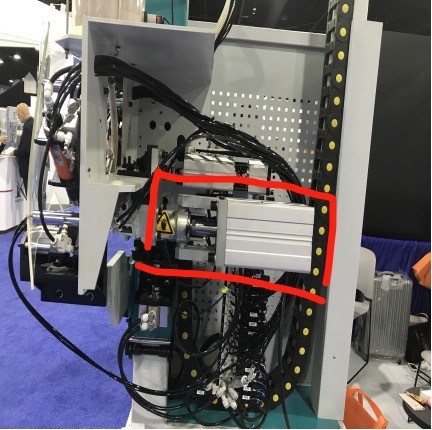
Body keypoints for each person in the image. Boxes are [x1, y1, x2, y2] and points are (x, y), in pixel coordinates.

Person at [0, 103, 33, 193]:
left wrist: (15, 152)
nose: (18, 117)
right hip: (31, 168)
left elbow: (26, 149)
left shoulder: (27, 126)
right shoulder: (32, 123)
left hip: (28, 168)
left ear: (23, 113)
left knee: (29, 194)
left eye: (18, 115)